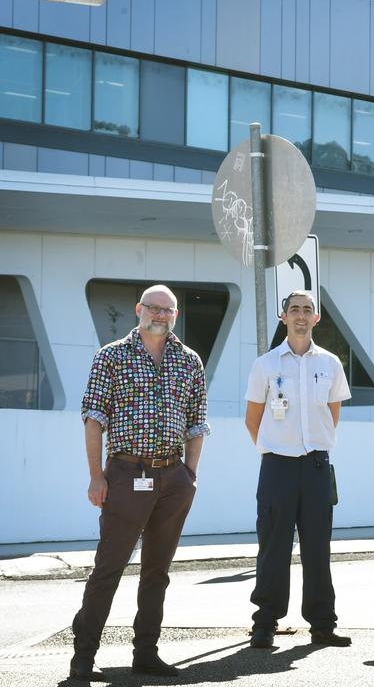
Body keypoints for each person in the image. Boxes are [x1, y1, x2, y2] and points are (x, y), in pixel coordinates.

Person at [70, 284, 208, 680]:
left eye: (169, 310)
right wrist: (96, 475)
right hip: (126, 474)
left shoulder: (189, 361)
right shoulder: (111, 357)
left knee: (157, 572)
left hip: (173, 477)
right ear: (138, 310)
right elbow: (94, 418)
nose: (161, 315)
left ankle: (146, 652)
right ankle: (83, 657)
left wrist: (190, 474)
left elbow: (197, 422)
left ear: (176, 315)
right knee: (108, 568)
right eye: (154, 308)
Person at [243, 290, 352, 649]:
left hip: (317, 466)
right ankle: (265, 622)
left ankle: (322, 624)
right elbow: (253, 419)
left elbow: (332, 415)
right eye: (295, 310)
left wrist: (311, 448)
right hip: (277, 466)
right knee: (273, 546)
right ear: (283, 316)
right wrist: (276, 449)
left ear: (316, 317)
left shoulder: (331, 364)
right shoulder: (266, 365)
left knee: (317, 547)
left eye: (307, 310)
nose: (301, 315)